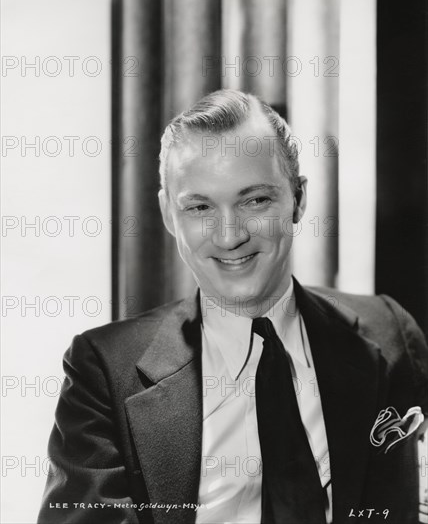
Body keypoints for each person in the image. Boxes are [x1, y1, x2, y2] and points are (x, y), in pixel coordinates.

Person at [38, 90, 428, 524]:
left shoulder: (389, 332)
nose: (229, 236)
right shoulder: (104, 372)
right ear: (169, 214)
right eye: (200, 207)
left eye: (255, 200)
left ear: (297, 200)